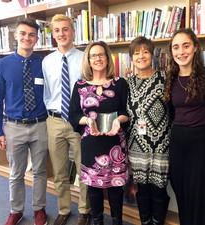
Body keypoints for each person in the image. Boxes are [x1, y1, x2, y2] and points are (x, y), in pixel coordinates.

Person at [0, 18, 48, 225]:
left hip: (40, 124)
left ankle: (40, 209)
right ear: (16, 35)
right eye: (23, 33)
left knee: (40, 171)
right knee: (16, 173)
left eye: (31, 34)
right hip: (13, 126)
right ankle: (16, 210)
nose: (27, 38)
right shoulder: (3, 65)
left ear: (37, 38)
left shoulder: (44, 63)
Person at [69, 41, 129, 225]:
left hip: (115, 145)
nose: (97, 58)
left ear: (107, 57)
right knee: (94, 191)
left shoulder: (120, 84)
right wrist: (87, 120)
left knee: (116, 189)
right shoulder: (80, 86)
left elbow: (127, 112)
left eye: (101, 54)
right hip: (91, 145)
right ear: (88, 59)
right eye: (93, 55)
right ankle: (97, 221)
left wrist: (119, 121)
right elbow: (73, 115)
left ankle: (117, 221)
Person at [164, 28, 205, 225]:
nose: (181, 51)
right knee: (182, 191)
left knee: (201, 195)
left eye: (186, 45)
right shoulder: (171, 78)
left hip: (202, 144)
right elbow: (170, 113)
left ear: (195, 47)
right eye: (176, 47)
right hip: (178, 143)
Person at [42, 14, 90, 225]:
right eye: (57, 30)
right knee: (60, 171)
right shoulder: (47, 61)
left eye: (65, 29)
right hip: (54, 121)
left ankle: (84, 210)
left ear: (73, 31)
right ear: (53, 34)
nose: (61, 34)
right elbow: (46, 92)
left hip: (78, 120)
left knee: (83, 168)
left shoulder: (84, 58)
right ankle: (63, 209)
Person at [126, 36, 171, 225]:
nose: (141, 56)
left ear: (152, 55)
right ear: (131, 58)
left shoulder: (164, 78)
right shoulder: (127, 83)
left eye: (145, 51)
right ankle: (145, 221)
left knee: (159, 188)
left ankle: (157, 221)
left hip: (161, 144)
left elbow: (176, 109)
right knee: (141, 188)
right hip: (135, 144)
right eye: (136, 53)